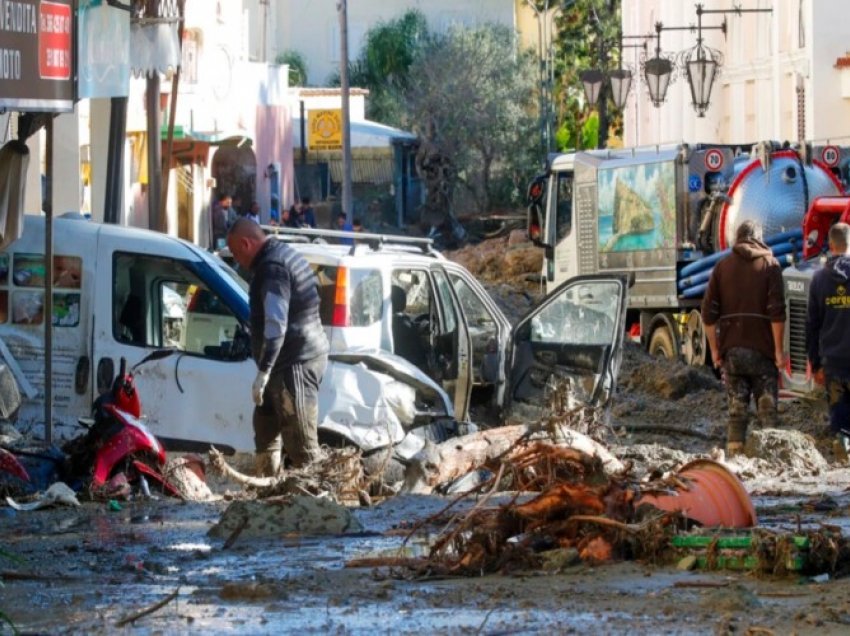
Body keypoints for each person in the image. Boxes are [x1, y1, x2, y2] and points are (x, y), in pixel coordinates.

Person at [225, 218, 330, 475]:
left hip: (294, 363)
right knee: (265, 428)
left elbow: (275, 322)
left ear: (246, 243)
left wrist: (264, 371)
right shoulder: (279, 256)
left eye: (237, 253)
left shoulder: (272, 268)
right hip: (289, 361)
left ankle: (323, 506)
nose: (238, 261)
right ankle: (268, 491)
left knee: (301, 446)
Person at [701, 219, 786, 456]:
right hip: (763, 353)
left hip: (733, 354)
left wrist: (715, 350)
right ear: (759, 237)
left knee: (737, 412)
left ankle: (736, 460)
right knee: (767, 411)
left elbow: (708, 314)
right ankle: (771, 460)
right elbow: (777, 313)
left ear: (737, 239)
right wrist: (779, 352)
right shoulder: (771, 265)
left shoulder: (722, 266)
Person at [807, 222, 850, 461]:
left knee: (840, 414)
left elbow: (812, 326)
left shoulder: (819, 280)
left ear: (831, 245)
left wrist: (815, 364)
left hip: (833, 362)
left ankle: (843, 446)